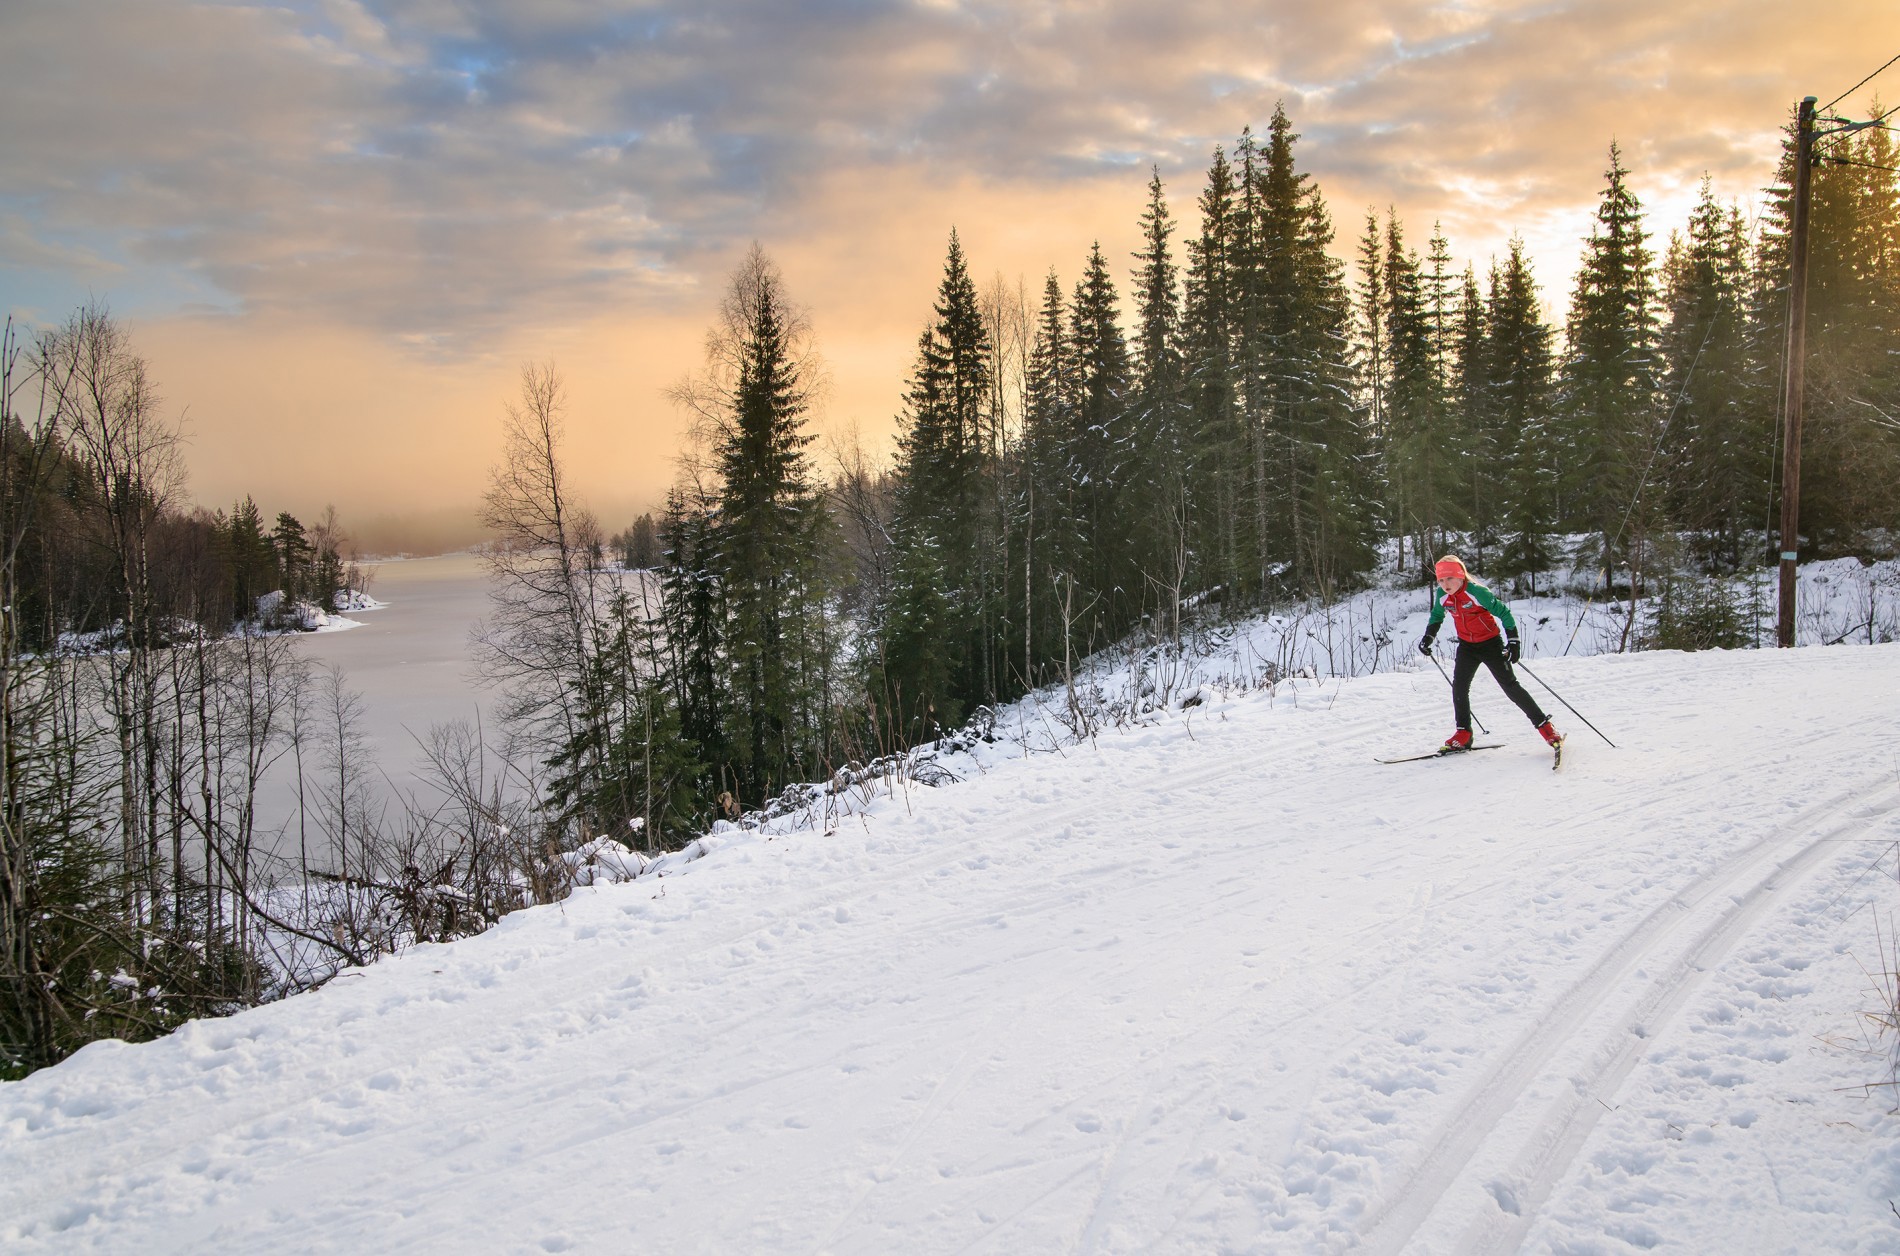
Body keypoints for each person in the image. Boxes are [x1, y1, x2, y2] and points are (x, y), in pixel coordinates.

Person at [1417, 555, 1562, 752]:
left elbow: (1504, 613)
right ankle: (1463, 733)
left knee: (1510, 687)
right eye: (1441, 580)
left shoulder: (1477, 592)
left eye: (1450, 578)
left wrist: (1513, 641)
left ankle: (1545, 727)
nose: (1445, 584)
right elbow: (1437, 615)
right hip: (1467, 646)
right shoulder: (1443, 595)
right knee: (1459, 688)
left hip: (1490, 644)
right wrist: (1428, 637)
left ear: (1461, 576)